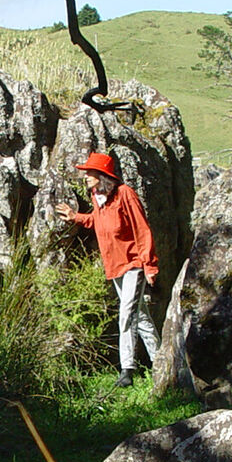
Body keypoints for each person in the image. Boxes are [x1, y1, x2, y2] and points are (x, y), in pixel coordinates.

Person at [56, 151, 160, 387]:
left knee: (126, 315)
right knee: (140, 316)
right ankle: (162, 361)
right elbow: (98, 222)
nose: (85, 177)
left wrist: (150, 265)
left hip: (133, 264)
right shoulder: (98, 197)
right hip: (114, 266)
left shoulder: (125, 195)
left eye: (89, 173)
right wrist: (76, 217)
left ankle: (127, 371)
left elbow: (142, 230)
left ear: (102, 175)